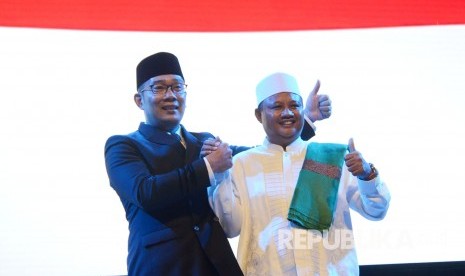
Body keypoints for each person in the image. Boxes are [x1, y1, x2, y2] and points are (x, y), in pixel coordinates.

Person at [104, 53, 331, 275]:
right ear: (138, 100)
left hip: (215, 265)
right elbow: (146, 192)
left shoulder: (202, 140)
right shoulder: (123, 145)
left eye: (177, 87)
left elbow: (259, 156)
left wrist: (302, 121)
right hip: (162, 266)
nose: (170, 95)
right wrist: (208, 167)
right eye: (159, 88)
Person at [209, 72, 391, 275]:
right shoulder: (241, 164)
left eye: (295, 106)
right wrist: (220, 177)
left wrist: (367, 175)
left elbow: (376, 211)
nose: (287, 113)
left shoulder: (331, 157)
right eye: (277, 106)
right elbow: (229, 227)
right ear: (259, 115)